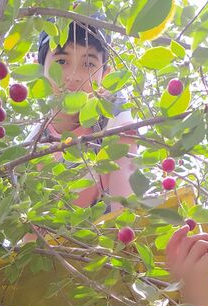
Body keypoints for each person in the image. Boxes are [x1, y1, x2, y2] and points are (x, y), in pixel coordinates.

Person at [36, 17, 137, 208]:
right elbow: (31, 234)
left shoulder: (111, 112)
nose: (73, 76)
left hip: (109, 234)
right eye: (62, 60)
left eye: (89, 64)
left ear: (105, 75)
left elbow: (126, 211)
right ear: (39, 69)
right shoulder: (33, 146)